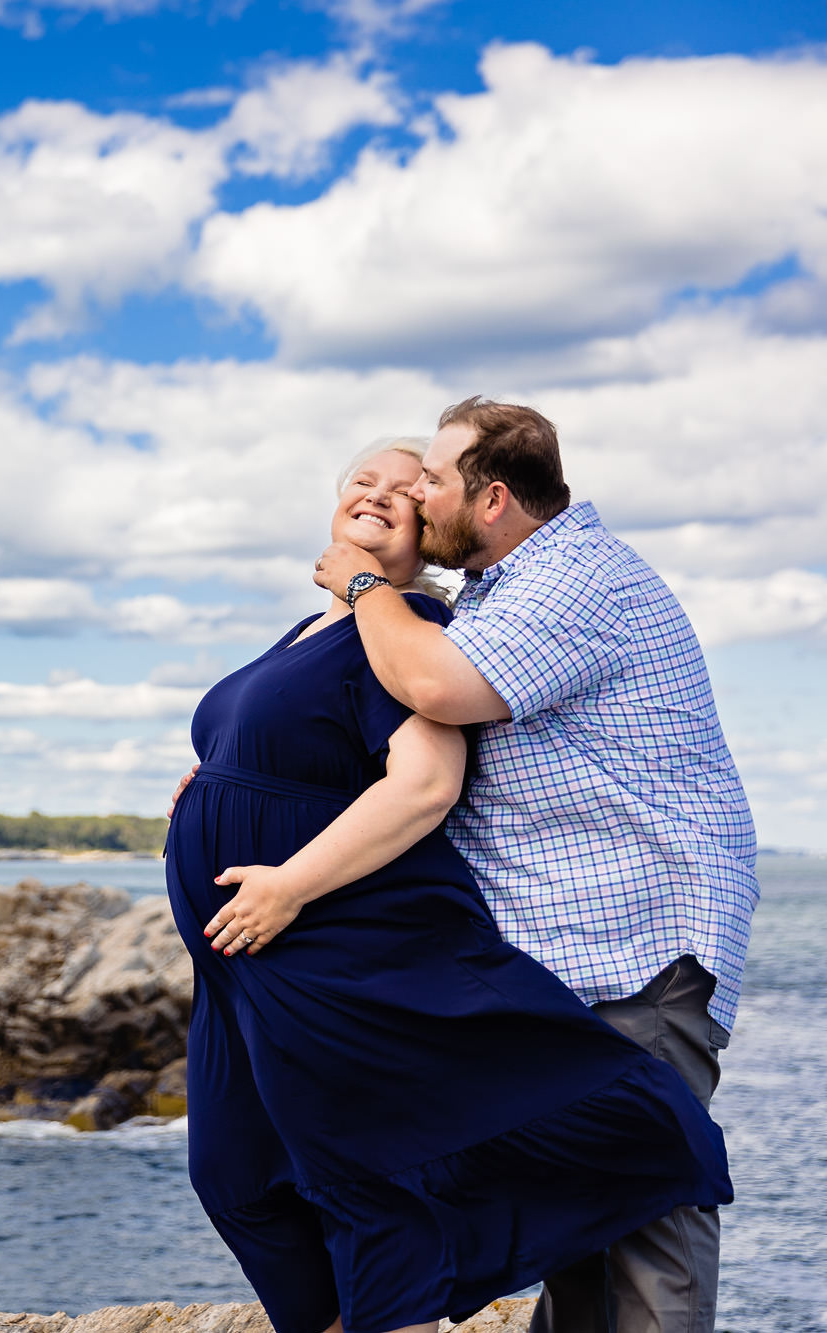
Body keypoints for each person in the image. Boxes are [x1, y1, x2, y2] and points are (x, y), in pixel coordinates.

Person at [167, 440, 730, 1333]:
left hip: (317, 935)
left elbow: (425, 782)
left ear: (434, 530)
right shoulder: (313, 631)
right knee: (237, 1173)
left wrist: (287, 882)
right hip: (243, 966)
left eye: (408, 490)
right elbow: (298, 746)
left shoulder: (412, 632)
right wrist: (221, 781)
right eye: (363, 479)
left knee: (366, 1174)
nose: (382, 494)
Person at [313, 401, 757, 1333]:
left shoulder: (574, 578)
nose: (415, 494)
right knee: (580, 1216)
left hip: (638, 951)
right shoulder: (498, 591)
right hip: (567, 957)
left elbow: (433, 683)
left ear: (496, 498)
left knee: (646, 1202)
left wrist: (363, 585)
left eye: (431, 479)